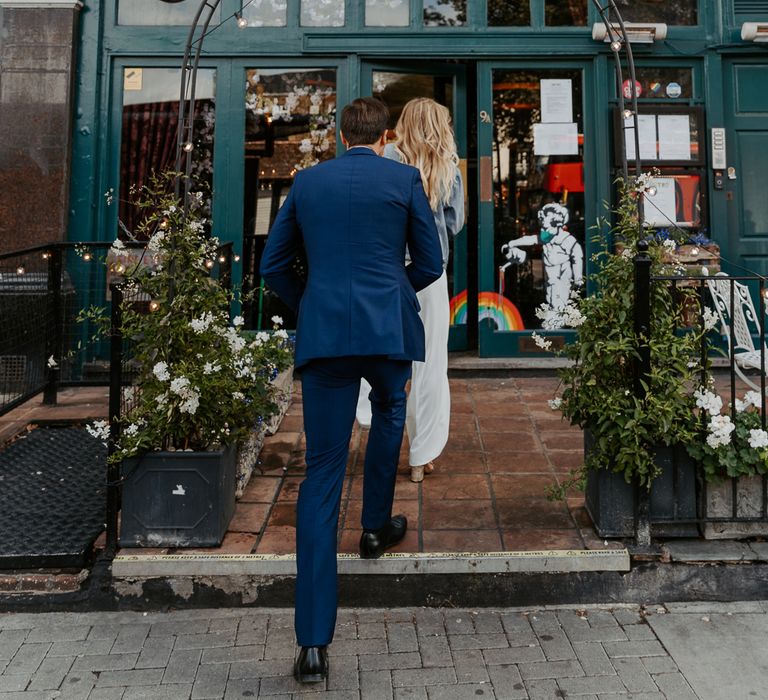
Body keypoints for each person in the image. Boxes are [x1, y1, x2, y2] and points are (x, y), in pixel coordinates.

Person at [260, 97, 442, 684]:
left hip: (327, 336)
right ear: (384, 134)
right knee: (391, 413)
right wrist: (392, 290)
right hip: (386, 332)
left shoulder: (307, 183)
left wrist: (308, 302)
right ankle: (374, 526)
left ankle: (312, 645)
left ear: (341, 134)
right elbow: (431, 262)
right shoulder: (404, 177)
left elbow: (273, 267)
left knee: (322, 472)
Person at [356, 97, 465, 483]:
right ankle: (420, 456)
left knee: (377, 348)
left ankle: (371, 418)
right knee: (430, 364)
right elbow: (454, 224)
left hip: (385, 271)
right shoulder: (448, 167)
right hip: (429, 274)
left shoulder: (383, 157)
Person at [500, 202, 583, 323]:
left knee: (559, 301)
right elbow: (530, 240)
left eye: (547, 226)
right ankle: (554, 322)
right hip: (550, 277)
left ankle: (556, 324)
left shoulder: (567, 240)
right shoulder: (546, 237)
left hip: (562, 275)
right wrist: (513, 243)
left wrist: (578, 278)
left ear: (557, 222)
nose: (544, 230)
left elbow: (577, 257)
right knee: (551, 297)